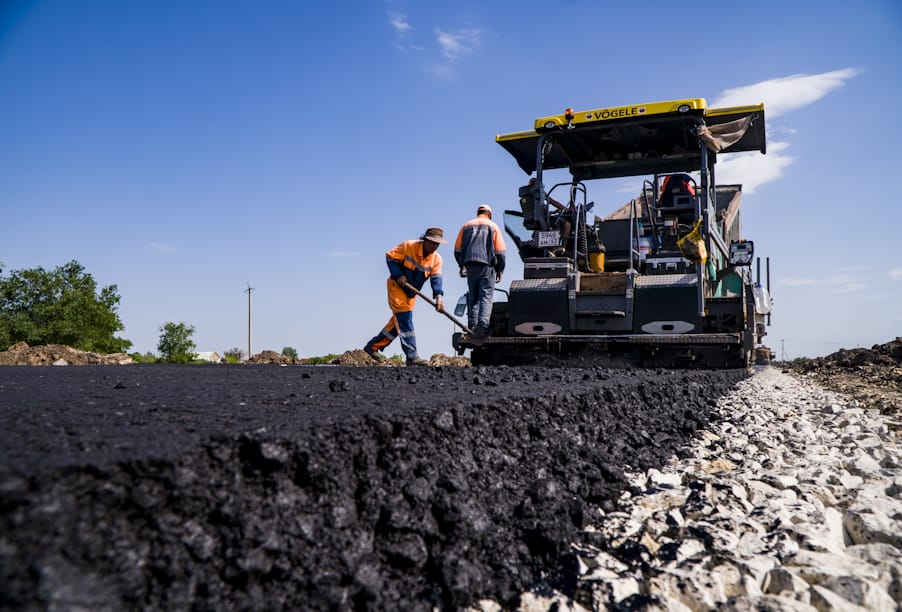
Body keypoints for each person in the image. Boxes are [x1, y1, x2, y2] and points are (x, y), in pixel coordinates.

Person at [363, 228, 446, 366]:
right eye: (432, 243)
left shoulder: (437, 260)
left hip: (411, 293)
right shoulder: (408, 246)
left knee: (398, 324)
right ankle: (412, 356)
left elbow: (436, 279)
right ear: (425, 240)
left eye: (437, 244)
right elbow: (390, 256)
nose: (434, 246)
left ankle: (373, 346)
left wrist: (439, 298)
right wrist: (398, 274)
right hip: (397, 286)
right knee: (405, 319)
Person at [454, 205, 506, 338]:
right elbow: (500, 252)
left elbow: (457, 250)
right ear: (489, 214)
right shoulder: (493, 226)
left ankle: (472, 326)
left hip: (470, 266)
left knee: (473, 297)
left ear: (478, 213)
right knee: (486, 296)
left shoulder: (466, 226)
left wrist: (462, 265)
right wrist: (500, 269)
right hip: (487, 266)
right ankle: (482, 327)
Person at [529, 176, 572, 244]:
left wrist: (553, 212)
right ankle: (563, 248)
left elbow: (537, 213)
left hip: (538, 220)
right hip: (544, 219)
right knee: (567, 225)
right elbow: (553, 202)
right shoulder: (539, 193)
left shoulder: (526, 196)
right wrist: (566, 209)